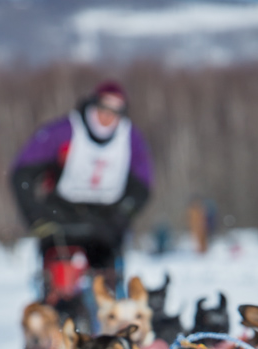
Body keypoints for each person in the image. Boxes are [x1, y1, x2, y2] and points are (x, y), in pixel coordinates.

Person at [10, 81, 153, 304]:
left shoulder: (131, 139)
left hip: (106, 220)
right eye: (103, 108)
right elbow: (22, 174)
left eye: (116, 111)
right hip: (60, 217)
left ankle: (105, 329)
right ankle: (57, 316)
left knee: (108, 290)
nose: (108, 116)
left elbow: (142, 185)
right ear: (92, 105)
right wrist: (34, 217)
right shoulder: (62, 132)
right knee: (59, 287)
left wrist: (124, 214)